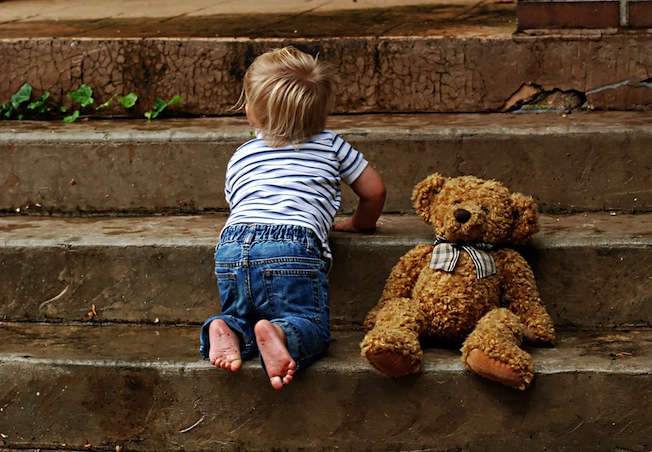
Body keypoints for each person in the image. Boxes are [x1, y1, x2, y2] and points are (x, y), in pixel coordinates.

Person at [199, 46, 386, 390]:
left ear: (253, 113)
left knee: (243, 313)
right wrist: (360, 224)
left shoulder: (242, 154)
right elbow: (374, 191)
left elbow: (238, 203)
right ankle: (283, 333)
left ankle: (225, 328)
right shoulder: (331, 144)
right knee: (310, 323)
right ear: (322, 113)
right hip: (292, 245)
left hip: (232, 244)